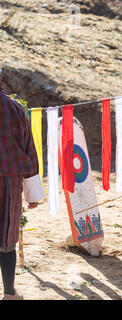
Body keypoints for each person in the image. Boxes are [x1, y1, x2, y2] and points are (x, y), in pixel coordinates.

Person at [0, 69, 44, 300]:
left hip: (10, 177)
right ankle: (9, 292)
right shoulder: (15, 109)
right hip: (9, 181)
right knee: (6, 238)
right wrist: (33, 194)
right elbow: (29, 150)